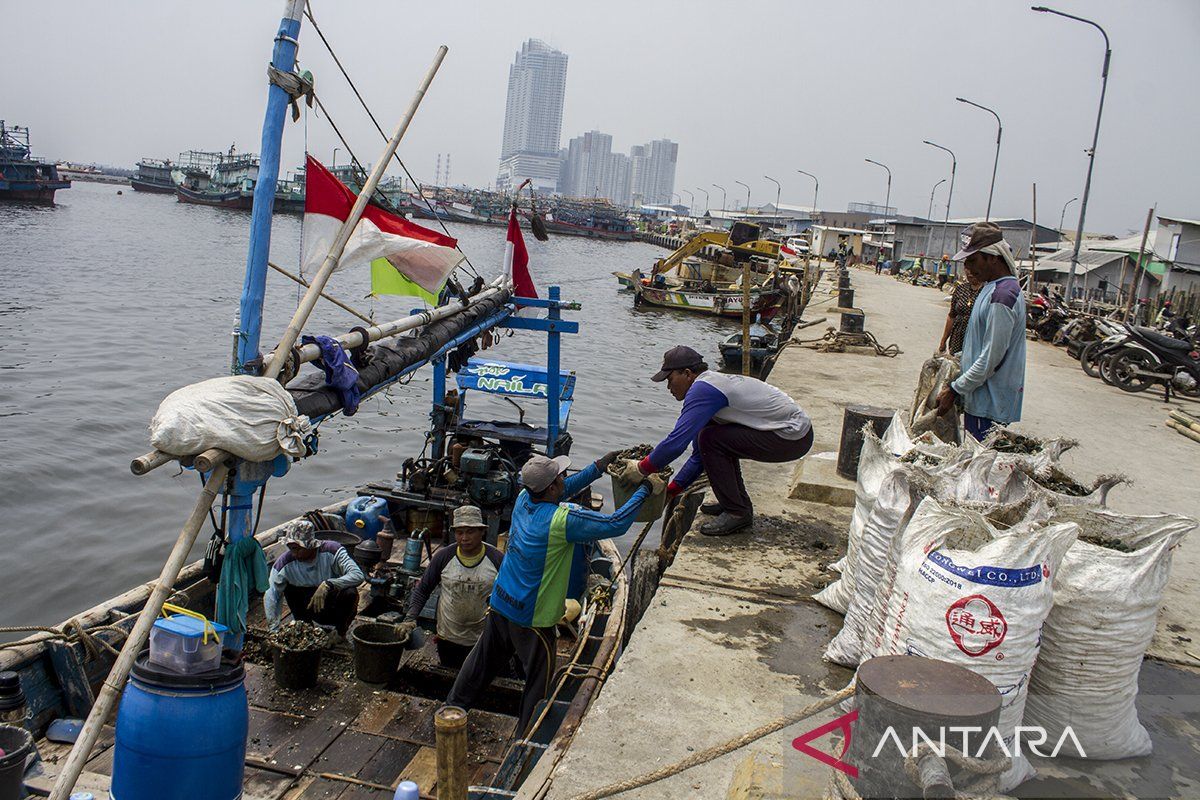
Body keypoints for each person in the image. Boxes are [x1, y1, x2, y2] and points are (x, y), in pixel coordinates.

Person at [447, 452, 664, 736]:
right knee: (538, 683)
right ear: (550, 488)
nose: (564, 480)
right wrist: (644, 489)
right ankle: (524, 739)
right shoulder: (563, 520)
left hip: (501, 602)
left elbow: (565, 488)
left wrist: (599, 467)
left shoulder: (525, 499)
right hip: (532, 619)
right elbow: (615, 524)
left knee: (480, 664)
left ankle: (452, 709)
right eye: (560, 477)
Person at [619, 346, 813, 537]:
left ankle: (736, 512)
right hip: (792, 433)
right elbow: (699, 456)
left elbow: (676, 443)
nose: (669, 387)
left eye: (670, 380)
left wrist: (641, 469)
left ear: (687, 374)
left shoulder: (703, 391)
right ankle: (736, 503)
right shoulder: (709, 386)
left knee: (712, 439)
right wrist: (671, 491)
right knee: (711, 439)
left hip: (792, 436)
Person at [935, 222, 1027, 441]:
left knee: (979, 463)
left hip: (989, 402)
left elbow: (991, 358)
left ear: (992, 258)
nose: (968, 266)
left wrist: (955, 389)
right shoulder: (992, 289)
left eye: (973, 260)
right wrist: (956, 360)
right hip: (981, 398)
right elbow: (979, 345)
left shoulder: (1002, 297)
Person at [399, 506, 503, 668]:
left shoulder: (496, 559)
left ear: (482, 532)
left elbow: (509, 595)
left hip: (482, 638)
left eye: (470, 532)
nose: (464, 538)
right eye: (460, 532)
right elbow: (422, 589)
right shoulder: (443, 557)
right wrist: (410, 618)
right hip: (448, 637)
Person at [264, 524, 365, 636]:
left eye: (297, 549)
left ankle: (339, 633)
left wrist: (329, 584)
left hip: (332, 606)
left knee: (351, 592)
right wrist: (273, 630)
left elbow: (358, 575)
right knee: (289, 589)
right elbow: (271, 595)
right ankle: (305, 629)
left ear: (310, 545)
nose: (294, 553)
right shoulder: (284, 563)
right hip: (306, 607)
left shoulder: (332, 550)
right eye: (291, 548)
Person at [937, 269, 983, 356]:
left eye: (973, 268)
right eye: (967, 269)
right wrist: (943, 340)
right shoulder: (961, 289)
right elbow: (952, 316)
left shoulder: (987, 290)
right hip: (957, 337)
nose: (969, 272)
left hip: (976, 337)